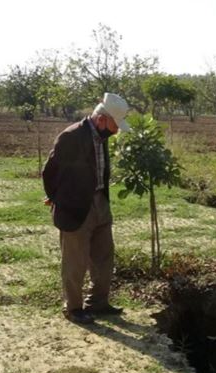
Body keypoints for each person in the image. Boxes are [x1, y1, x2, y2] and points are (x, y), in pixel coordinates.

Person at [42, 93, 131, 324]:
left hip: (100, 201)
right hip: (75, 208)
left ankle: (98, 303)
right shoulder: (71, 137)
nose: (116, 131)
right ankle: (73, 308)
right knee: (75, 261)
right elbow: (50, 172)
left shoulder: (102, 137)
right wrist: (55, 198)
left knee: (104, 257)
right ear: (102, 119)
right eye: (114, 125)